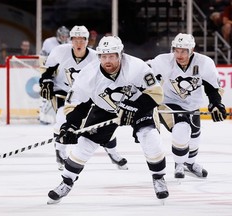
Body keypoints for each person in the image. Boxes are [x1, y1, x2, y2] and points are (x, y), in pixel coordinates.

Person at [46, 35, 169, 205]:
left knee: (150, 138)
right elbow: (74, 105)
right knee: (84, 145)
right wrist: (70, 126)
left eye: (111, 56)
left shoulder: (136, 66)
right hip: (105, 108)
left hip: (139, 106)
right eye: (103, 57)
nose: (107, 61)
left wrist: (133, 108)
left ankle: (158, 177)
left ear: (120, 54)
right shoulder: (88, 74)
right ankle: (66, 181)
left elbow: (156, 94)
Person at [39, 26, 128, 172]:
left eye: (82, 39)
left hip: (84, 95)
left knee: (101, 124)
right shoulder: (60, 52)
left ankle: (113, 153)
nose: (79, 43)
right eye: (75, 39)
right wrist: (46, 81)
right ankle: (60, 153)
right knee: (62, 119)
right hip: (63, 92)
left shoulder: (95, 56)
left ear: (87, 41)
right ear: (70, 40)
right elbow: (47, 70)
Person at [146, 33, 227, 179]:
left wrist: (215, 104)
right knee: (182, 128)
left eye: (183, 51)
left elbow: (212, 88)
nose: (179, 54)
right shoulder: (163, 61)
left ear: (192, 50)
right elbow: (144, 72)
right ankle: (179, 164)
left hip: (192, 105)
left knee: (194, 137)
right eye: (176, 50)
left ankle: (189, 163)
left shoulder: (204, 63)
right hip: (168, 103)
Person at [38, 26, 70, 125]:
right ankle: (42, 115)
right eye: (62, 36)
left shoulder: (70, 44)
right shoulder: (49, 42)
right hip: (50, 71)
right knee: (47, 91)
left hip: (62, 74)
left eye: (66, 36)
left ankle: (62, 116)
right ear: (58, 35)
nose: (64, 38)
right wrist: (44, 70)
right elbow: (42, 57)